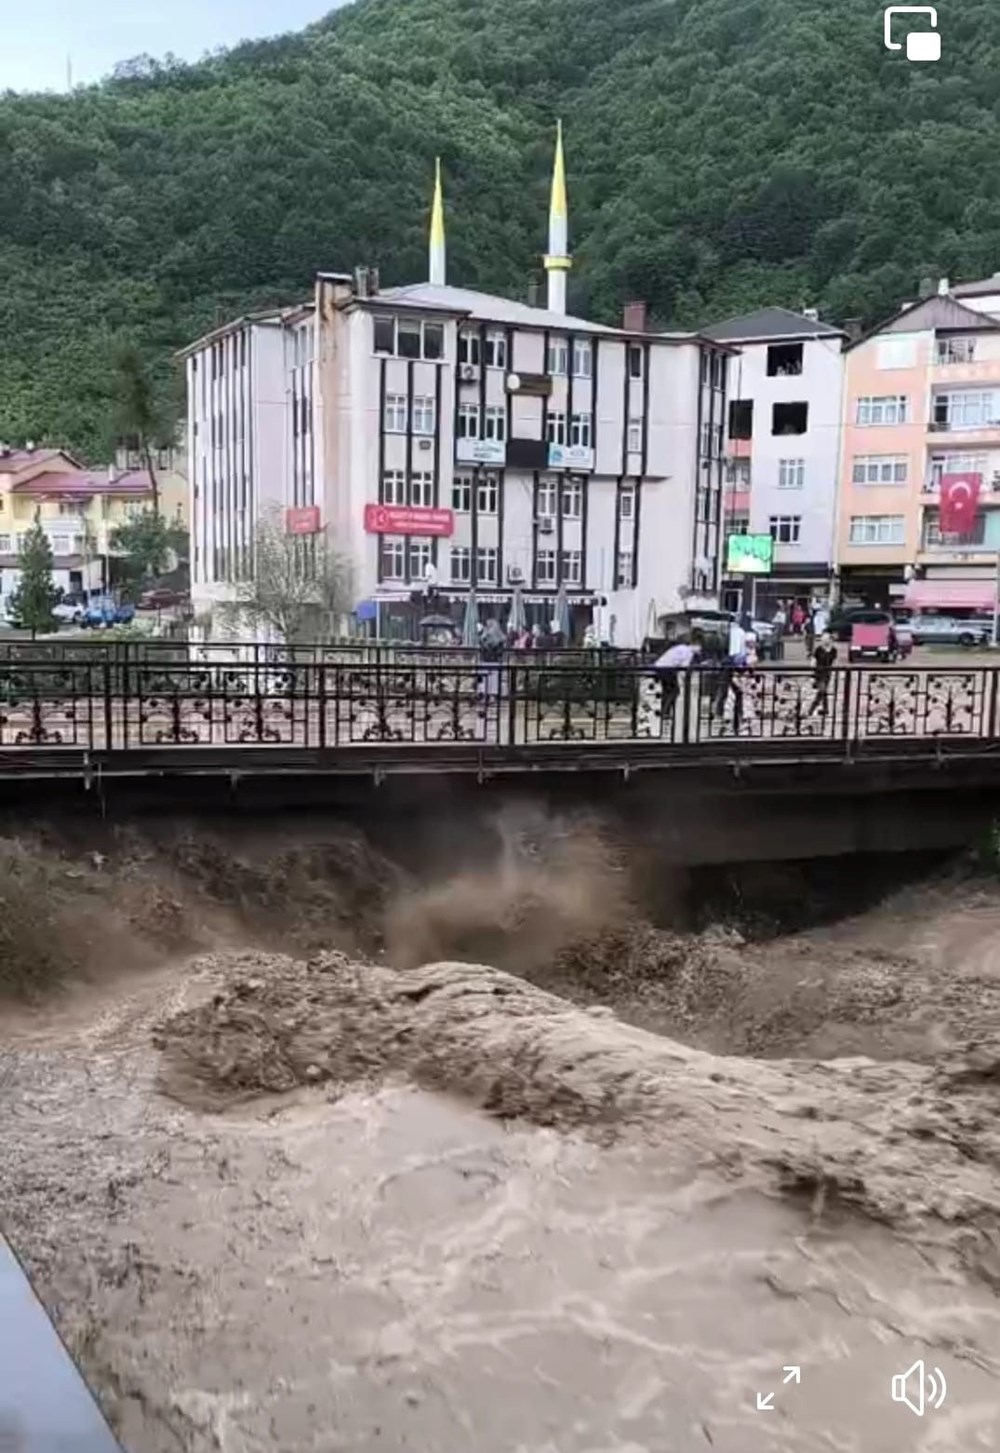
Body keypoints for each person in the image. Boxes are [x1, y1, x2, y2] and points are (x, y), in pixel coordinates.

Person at [809, 632, 838, 718]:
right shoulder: (818, 649)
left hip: (827, 674)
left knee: (823, 692)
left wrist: (835, 672)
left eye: (826, 639)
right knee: (822, 691)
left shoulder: (833, 650)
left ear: (830, 640)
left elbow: (834, 662)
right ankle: (813, 709)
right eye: (823, 639)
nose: (824, 641)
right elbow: (813, 661)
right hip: (819, 673)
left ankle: (823, 709)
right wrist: (812, 673)